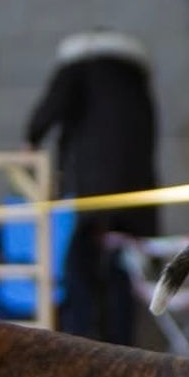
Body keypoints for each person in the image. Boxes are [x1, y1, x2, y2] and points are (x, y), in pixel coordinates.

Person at [25, 29, 158, 345]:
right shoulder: (136, 83)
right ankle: (123, 351)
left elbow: (52, 107)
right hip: (136, 203)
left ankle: (80, 348)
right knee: (120, 274)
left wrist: (31, 140)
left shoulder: (81, 68)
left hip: (97, 197)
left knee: (79, 271)